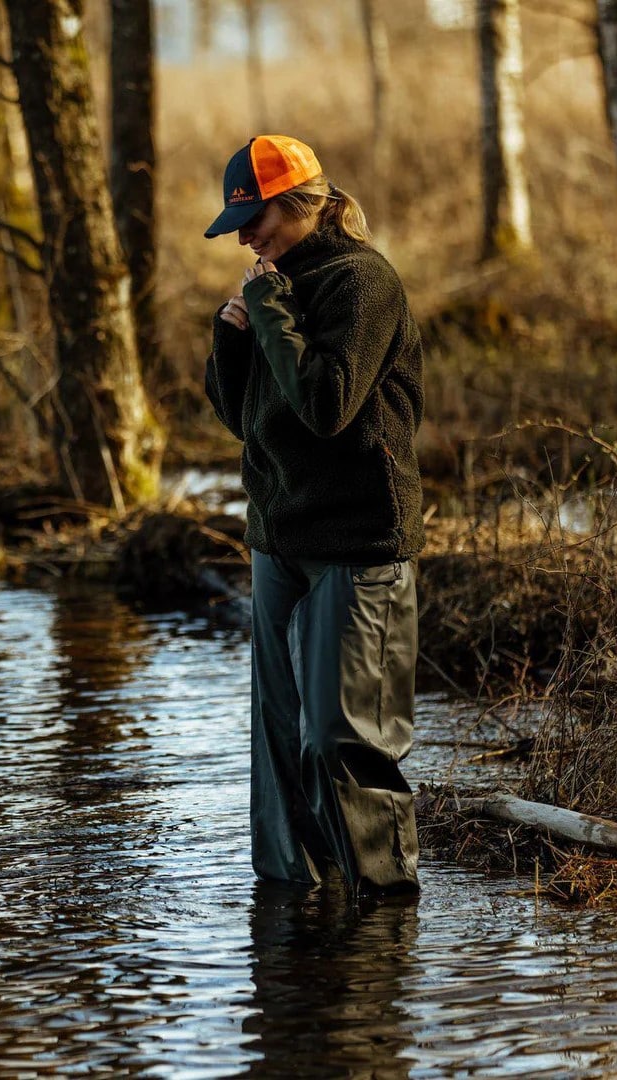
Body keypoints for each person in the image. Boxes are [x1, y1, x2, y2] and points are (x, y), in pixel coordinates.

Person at [204, 134, 425, 902]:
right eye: (237, 221)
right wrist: (233, 336)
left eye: (254, 215)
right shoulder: (275, 287)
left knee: (343, 736)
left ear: (302, 203)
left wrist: (267, 312)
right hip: (278, 537)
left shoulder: (363, 284)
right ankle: (294, 905)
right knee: (278, 740)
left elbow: (327, 406)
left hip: (356, 537)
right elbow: (244, 416)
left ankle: (385, 907)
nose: (243, 235)